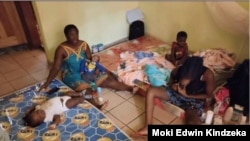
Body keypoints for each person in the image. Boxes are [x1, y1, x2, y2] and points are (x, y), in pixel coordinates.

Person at [39, 24, 137, 94]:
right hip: (72, 74)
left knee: (107, 79)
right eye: (71, 34)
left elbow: (90, 60)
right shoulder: (61, 49)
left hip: (87, 70)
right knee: (84, 89)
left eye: (76, 33)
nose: (74, 37)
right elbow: (56, 68)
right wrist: (47, 82)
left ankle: (130, 88)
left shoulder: (84, 44)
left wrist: (96, 68)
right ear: (66, 36)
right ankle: (97, 106)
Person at [136, 56, 215, 136]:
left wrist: (187, 95)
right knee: (151, 91)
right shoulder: (177, 71)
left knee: (191, 122)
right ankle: (147, 127)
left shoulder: (208, 75)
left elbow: (208, 95)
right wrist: (173, 87)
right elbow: (170, 85)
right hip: (177, 94)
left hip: (194, 100)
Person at [23, 91, 89, 129]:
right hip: (65, 105)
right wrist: (54, 124)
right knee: (76, 101)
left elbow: (35, 106)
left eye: (37, 112)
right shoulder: (48, 117)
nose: (40, 112)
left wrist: (30, 110)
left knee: (68, 93)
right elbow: (57, 117)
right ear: (42, 121)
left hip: (61, 97)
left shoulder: (38, 108)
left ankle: (79, 94)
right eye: (40, 116)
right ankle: (83, 97)